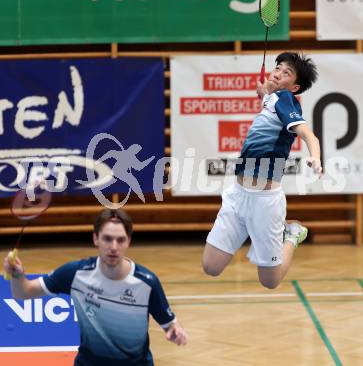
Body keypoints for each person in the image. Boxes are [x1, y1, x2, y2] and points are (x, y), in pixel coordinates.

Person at [3, 208, 187, 365]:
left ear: (128, 241)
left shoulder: (146, 282)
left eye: (120, 240)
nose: (113, 247)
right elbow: (23, 293)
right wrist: (18, 274)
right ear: (95, 238)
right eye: (107, 239)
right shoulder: (75, 273)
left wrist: (175, 331)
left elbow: (169, 324)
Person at [202, 52, 321, 290]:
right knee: (211, 266)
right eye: (278, 67)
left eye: (286, 72)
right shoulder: (273, 97)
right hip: (237, 195)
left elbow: (308, 134)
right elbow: (269, 96)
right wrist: (264, 93)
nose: (277, 73)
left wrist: (315, 156)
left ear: (295, 86)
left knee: (270, 281)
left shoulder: (286, 100)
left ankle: (293, 234)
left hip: (265, 202)